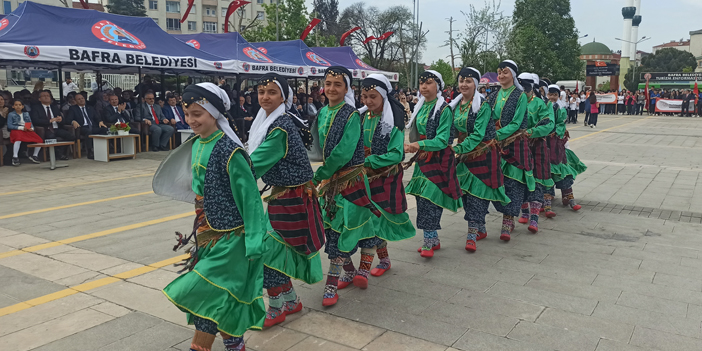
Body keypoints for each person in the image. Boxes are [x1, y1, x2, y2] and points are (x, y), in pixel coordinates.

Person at [154, 83, 265, 351]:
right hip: (209, 236)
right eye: (187, 113)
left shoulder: (230, 152)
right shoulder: (198, 144)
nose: (191, 120)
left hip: (233, 239)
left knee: (205, 291)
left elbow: (250, 198)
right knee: (222, 299)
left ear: (214, 114)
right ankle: (234, 346)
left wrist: (254, 241)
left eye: (197, 114)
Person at [246, 74, 322, 328]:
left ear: (283, 97)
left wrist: (225, 177)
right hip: (284, 195)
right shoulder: (268, 121)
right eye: (261, 91)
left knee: (267, 252)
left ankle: (277, 307)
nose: (265, 96)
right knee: (273, 252)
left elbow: (255, 163)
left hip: (293, 198)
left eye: (271, 92)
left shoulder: (281, 127)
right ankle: (290, 300)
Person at [313, 66, 380, 307]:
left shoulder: (351, 114)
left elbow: (343, 152)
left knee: (350, 228)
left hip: (349, 180)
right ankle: (350, 272)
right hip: (331, 181)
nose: (331, 88)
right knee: (332, 229)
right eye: (328, 83)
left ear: (347, 88)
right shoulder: (322, 113)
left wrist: (320, 175)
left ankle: (332, 285)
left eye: (337, 84)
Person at [348, 74, 415, 285]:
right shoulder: (361, 117)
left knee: (375, 222)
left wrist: (368, 160)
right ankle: (384, 260)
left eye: (372, 97)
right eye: (364, 96)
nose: (367, 101)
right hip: (363, 179)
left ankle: (363, 271)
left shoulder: (389, 122)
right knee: (371, 222)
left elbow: (396, 154)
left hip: (384, 178)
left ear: (383, 97)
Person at [404, 70, 462, 258]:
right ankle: (433, 238)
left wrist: (418, 144)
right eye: (422, 83)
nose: (424, 86)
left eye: (429, 82)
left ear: (439, 86)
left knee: (431, 198)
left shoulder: (444, 109)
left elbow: (443, 140)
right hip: (422, 159)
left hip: (439, 160)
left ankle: (428, 241)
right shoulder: (419, 107)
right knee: (423, 199)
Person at [451, 67, 509, 252]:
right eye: (461, 80)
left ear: (476, 84)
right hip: (464, 157)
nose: (463, 84)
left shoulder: (482, 106)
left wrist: (457, 149)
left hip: (482, 155)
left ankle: (471, 235)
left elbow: (477, 135)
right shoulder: (455, 105)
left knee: (477, 196)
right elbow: (451, 130)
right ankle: (481, 228)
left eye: (468, 81)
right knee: (466, 195)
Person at [488, 60, 533, 242]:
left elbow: (516, 123)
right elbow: (486, 117)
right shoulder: (493, 95)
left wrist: (496, 134)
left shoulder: (520, 95)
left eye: (505, 72)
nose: (501, 75)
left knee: (512, 182)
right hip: (494, 145)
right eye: (499, 72)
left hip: (513, 144)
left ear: (513, 75)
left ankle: (507, 222)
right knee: (496, 181)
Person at [515, 73, 554, 233]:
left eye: (525, 88)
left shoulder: (540, 104)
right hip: (518, 147)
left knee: (536, 182)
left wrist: (531, 132)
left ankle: (535, 218)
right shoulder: (515, 102)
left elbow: (548, 124)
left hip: (536, 147)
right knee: (520, 181)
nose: (523, 91)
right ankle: (524, 211)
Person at [546, 84, 583, 214]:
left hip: (557, 145)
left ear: (559, 96)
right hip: (545, 144)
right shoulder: (543, 107)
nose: (552, 97)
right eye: (550, 94)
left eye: (555, 95)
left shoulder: (561, 108)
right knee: (547, 173)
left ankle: (569, 197)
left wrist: (556, 132)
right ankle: (547, 202)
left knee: (563, 171)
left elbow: (561, 124)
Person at [30, 90, 74, 160]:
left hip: (56, 128)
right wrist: (49, 121)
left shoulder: (54, 107)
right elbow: (35, 120)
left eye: (48, 96)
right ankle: (55, 154)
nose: (46, 97)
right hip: (46, 129)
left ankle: (62, 153)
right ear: (39, 99)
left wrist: (60, 119)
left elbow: (63, 120)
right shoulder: (36, 108)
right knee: (51, 136)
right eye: (44, 96)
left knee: (70, 136)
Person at [67, 93, 108, 159]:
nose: (81, 100)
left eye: (82, 98)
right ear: (75, 101)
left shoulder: (90, 107)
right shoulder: (73, 108)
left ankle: (103, 150)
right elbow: (68, 119)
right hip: (82, 128)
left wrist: (100, 121)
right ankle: (90, 151)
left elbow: (97, 117)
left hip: (93, 126)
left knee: (105, 129)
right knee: (88, 132)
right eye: (79, 99)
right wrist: (73, 121)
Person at [7, 99, 43, 166]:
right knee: (18, 139)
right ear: (13, 106)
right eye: (16, 105)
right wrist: (21, 128)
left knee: (39, 140)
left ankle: (35, 155)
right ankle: (15, 157)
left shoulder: (26, 114)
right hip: (17, 130)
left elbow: (30, 123)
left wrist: (31, 128)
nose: (18, 106)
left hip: (26, 130)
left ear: (23, 106)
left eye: (20, 105)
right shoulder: (11, 114)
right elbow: (9, 125)